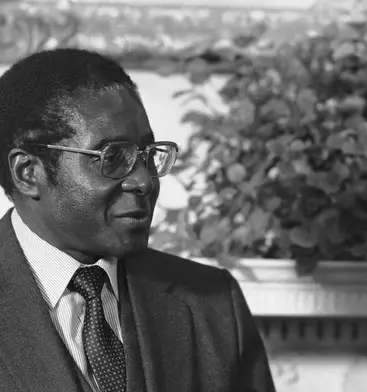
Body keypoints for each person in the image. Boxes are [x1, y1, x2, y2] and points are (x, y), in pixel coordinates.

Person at [0, 48, 275, 392]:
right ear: (28, 172)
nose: (144, 182)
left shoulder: (213, 304)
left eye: (147, 155)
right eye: (113, 157)